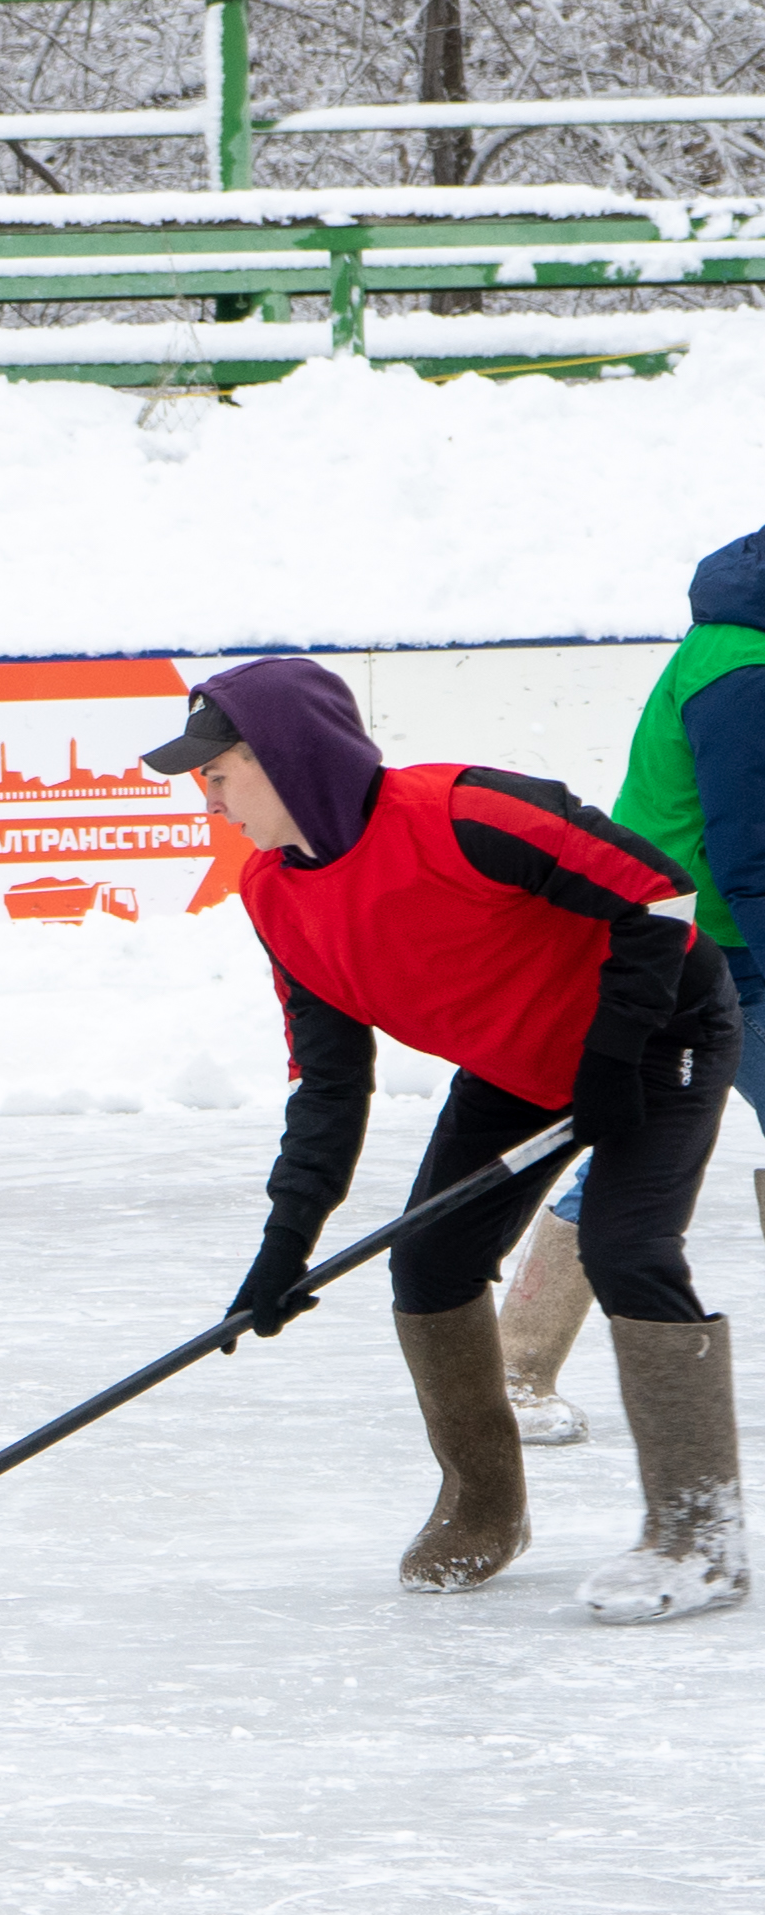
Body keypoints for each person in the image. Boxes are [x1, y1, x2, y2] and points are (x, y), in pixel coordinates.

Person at [156, 655, 745, 1622]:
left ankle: (700, 1534)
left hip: (657, 1033)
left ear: (283, 759)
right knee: (430, 1260)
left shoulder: (464, 813)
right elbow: (330, 1083)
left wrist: (611, 1054)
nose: (208, 799)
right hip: (517, 1068)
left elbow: (656, 890)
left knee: (629, 1249)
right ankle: (484, 1506)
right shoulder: (274, 898)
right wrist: (283, 1246)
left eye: (216, 773)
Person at [496, 519, 765, 1445]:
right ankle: (516, 1365)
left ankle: (518, 1361)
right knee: (639, 1141)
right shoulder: (742, 667)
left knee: (640, 1140)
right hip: (701, 940)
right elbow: (749, 848)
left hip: (692, 926)